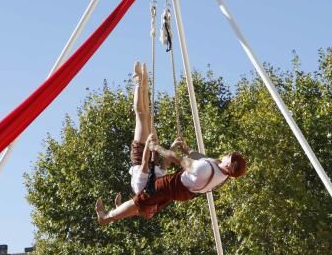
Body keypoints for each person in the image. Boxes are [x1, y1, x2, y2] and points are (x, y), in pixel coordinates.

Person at [95, 61, 246, 225]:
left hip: (170, 182)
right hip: (180, 190)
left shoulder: (203, 170)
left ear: (230, 166)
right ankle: (142, 82)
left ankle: (108, 217)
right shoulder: (221, 174)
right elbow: (200, 159)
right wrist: (187, 151)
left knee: (142, 115)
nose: (228, 154)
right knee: (146, 115)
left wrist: (155, 147)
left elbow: (172, 159)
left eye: (231, 157)